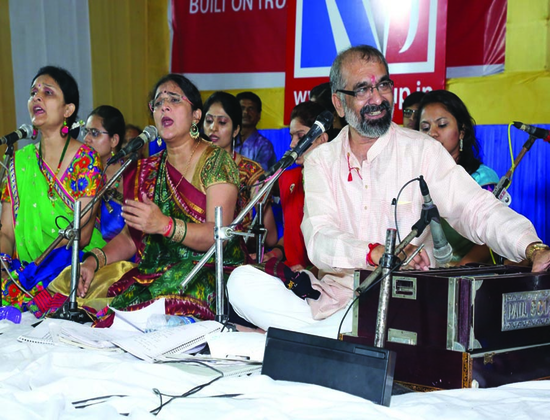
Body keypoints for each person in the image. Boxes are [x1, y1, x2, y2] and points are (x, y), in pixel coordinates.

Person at [229, 45, 550, 337]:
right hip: (336, 303)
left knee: (399, 324)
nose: (377, 98)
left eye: (383, 85)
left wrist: (531, 246)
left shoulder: (421, 150)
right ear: (339, 103)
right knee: (241, 283)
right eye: (362, 89)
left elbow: (476, 207)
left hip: (407, 305)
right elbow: (319, 238)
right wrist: (374, 253)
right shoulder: (321, 160)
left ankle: (322, 340)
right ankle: (340, 337)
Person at [77, 74, 244, 325]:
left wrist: (165, 225)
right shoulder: (147, 169)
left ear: (196, 115)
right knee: (108, 313)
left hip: (206, 270)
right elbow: (130, 237)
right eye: (158, 103)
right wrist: (93, 261)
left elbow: (217, 235)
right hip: (157, 272)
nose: (164, 106)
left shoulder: (217, 161)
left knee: (152, 314)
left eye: (174, 100)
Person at [0, 66, 105, 312]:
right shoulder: (18, 162)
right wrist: (3, 267)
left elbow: (82, 235)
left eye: (47, 92)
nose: (37, 97)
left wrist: (37, 270)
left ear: (68, 110)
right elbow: (6, 232)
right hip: (25, 271)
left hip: (71, 267)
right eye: (33, 93)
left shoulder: (86, 160)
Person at [227, 101, 332, 335]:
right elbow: (294, 235)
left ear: (322, 139)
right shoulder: (288, 179)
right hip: (291, 274)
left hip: (322, 284)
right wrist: (276, 253)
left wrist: (310, 271)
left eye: (300, 136)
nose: (293, 144)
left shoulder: (337, 182)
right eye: (292, 136)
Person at [417, 90, 499, 265]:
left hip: (468, 273)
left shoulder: (482, 178)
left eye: (442, 125)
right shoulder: (415, 179)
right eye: (425, 128)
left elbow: (491, 238)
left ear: (461, 131)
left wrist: (455, 271)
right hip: (425, 272)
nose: (432, 133)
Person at [202, 91, 278, 248]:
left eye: (222, 122)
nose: (213, 128)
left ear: (236, 130)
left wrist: (242, 241)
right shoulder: (190, 165)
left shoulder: (250, 170)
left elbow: (270, 236)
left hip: (235, 254)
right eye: (208, 121)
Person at [234, 91, 277, 171]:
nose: (246, 112)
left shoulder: (264, 145)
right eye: (242, 108)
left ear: (258, 115)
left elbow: (260, 174)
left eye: (251, 108)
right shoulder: (228, 141)